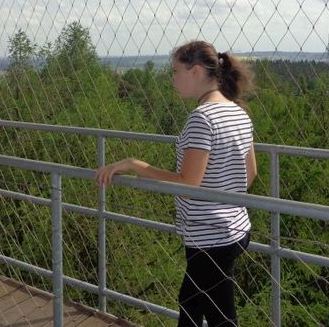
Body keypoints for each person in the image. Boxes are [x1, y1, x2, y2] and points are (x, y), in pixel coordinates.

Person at [96, 41, 257, 327]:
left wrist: (135, 165)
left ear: (195, 71)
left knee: (220, 317)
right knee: (191, 302)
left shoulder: (202, 119)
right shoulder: (237, 112)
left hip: (210, 236)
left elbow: (188, 183)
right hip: (234, 228)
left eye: (175, 71)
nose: (172, 79)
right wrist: (222, 195)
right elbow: (250, 173)